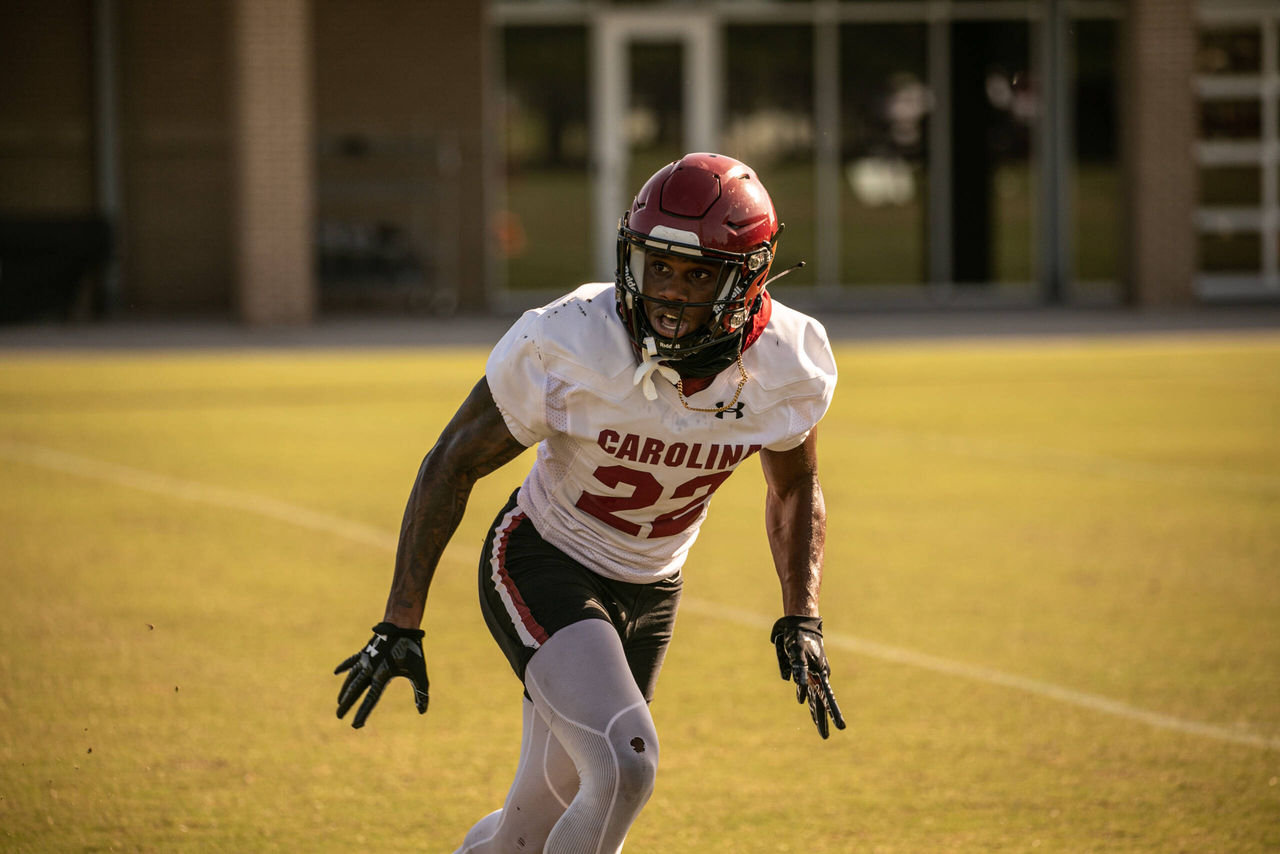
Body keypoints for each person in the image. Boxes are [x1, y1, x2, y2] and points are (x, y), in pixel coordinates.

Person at [334, 152, 845, 854]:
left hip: (654, 585)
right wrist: (400, 621)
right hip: (544, 556)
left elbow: (793, 489)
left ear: (749, 279)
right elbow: (452, 462)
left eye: (699, 275)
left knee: (537, 821)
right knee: (625, 765)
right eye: (657, 266)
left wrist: (802, 613)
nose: (668, 291)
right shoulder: (568, 338)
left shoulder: (788, 362)